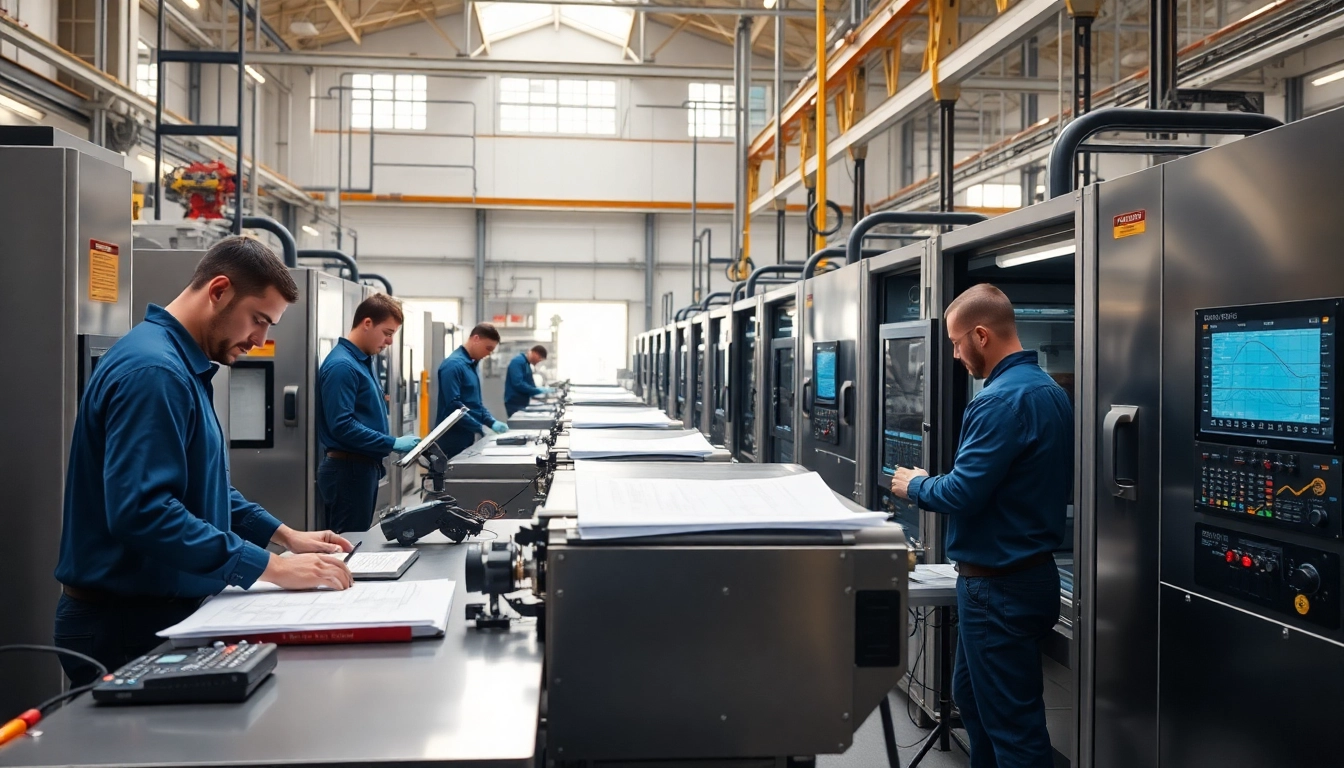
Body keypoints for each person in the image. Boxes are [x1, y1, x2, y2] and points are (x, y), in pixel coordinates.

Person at [54, 237, 356, 686]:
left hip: (151, 612)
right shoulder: (156, 373)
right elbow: (144, 512)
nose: (261, 340)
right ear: (218, 290)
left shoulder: (180, 366)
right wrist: (270, 568)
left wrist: (285, 536)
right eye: (258, 320)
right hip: (124, 623)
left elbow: (204, 488)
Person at [889, 283, 1072, 768]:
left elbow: (962, 492)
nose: (954, 354)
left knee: (1014, 731)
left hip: (1000, 590)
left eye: (955, 343)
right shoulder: (1049, 390)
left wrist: (916, 485)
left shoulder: (997, 402)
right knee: (972, 699)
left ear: (981, 335)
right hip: (1024, 578)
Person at [317, 293, 421, 534]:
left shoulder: (364, 361)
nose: (390, 341)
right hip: (347, 472)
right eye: (387, 333)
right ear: (367, 323)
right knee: (348, 548)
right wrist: (392, 442)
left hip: (360, 469)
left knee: (356, 540)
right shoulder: (343, 366)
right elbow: (341, 425)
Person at [435, 323, 507, 458]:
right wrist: (479, 427)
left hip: (466, 436)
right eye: (488, 348)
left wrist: (491, 422)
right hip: (452, 440)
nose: (488, 354)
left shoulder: (471, 365)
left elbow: (475, 404)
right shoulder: (453, 365)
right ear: (476, 339)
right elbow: (454, 407)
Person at [503, 344, 555, 416]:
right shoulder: (517, 362)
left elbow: (530, 383)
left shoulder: (526, 364)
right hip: (514, 402)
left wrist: (540, 391)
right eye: (539, 359)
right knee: (517, 424)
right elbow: (518, 383)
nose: (538, 362)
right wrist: (537, 390)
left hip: (522, 402)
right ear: (535, 353)